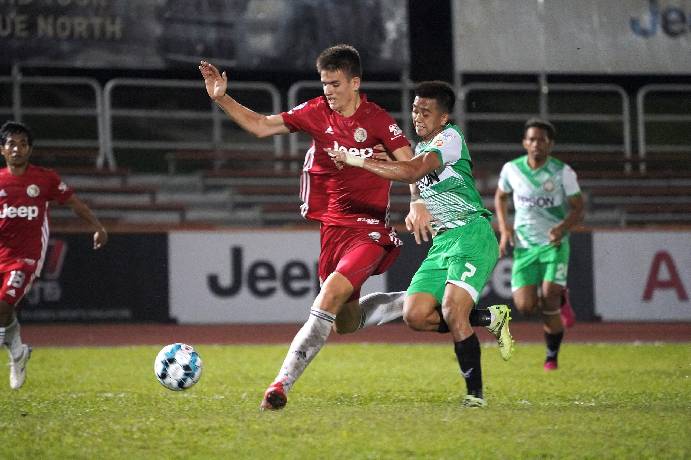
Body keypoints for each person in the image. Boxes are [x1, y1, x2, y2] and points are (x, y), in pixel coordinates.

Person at [200, 44, 432, 411]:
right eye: (324, 83)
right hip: (333, 232)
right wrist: (223, 99)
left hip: (369, 230)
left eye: (336, 84)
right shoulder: (316, 112)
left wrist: (417, 202)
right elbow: (262, 126)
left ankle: (280, 386)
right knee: (345, 321)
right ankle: (412, 302)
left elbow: (412, 165)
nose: (329, 91)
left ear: (355, 83)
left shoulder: (377, 120)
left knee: (326, 298)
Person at [329, 81, 509, 407]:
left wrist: (356, 160)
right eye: (414, 109)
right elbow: (415, 177)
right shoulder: (420, 146)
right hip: (442, 242)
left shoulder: (450, 139)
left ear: (443, 118)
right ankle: (490, 318)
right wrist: (416, 202)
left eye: (426, 112)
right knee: (415, 315)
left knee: (454, 311)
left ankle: (475, 397)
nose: (417, 117)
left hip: (471, 235)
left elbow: (414, 171)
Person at [0, 121, 108, 389]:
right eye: (11, 144)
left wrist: (97, 226)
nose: (17, 148)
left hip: (26, 257)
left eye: (23, 144)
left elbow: (73, 202)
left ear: (30, 149)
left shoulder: (44, 178)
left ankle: (15, 350)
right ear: (3, 149)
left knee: (2, 304)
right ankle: (18, 351)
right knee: (4, 309)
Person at [494, 118, 584, 371]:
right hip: (524, 246)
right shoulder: (512, 169)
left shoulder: (562, 172)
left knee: (549, 297)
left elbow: (579, 207)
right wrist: (504, 228)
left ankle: (551, 357)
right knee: (524, 306)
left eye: (541, 140)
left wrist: (562, 227)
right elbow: (500, 197)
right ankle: (560, 299)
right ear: (525, 143)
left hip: (553, 244)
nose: (536, 144)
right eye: (531, 139)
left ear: (550, 144)